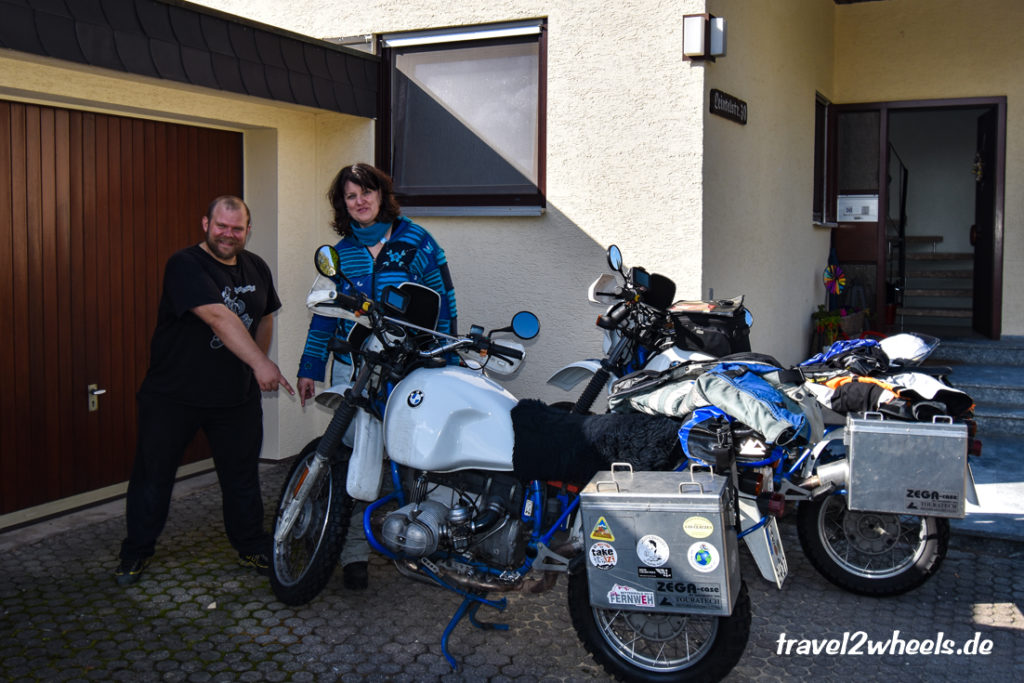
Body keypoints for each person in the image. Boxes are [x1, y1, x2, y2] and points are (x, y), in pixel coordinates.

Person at [115, 195, 294, 586]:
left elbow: (264, 316)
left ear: (248, 229)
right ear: (205, 224)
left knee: (242, 476)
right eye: (221, 226)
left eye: (237, 228)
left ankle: (249, 545)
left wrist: (252, 366)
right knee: (153, 477)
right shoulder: (185, 264)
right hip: (173, 396)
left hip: (233, 398)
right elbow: (218, 315)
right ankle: (136, 551)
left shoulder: (256, 266)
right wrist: (260, 364)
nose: (228, 234)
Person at [297, 163, 457, 589]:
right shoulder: (342, 252)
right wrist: (310, 367)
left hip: (408, 370)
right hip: (355, 370)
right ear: (342, 204)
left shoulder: (418, 242)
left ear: (382, 195)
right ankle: (352, 553)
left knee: (410, 460)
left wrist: (448, 361)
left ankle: (419, 543)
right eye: (351, 196)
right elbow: (324, 315)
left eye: (367, 192)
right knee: (353, 458)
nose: (360, 201)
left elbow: (446, 304)